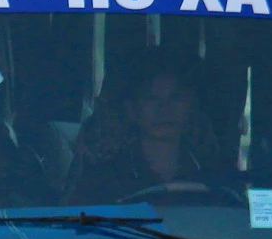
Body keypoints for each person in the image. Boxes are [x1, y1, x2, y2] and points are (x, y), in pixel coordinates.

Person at [65, 67, 220, 205]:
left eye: (175, 97)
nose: (165, 109)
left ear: (189, 106)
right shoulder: (101, 181)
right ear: (132, 110)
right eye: (152, 98)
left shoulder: (214, 176)